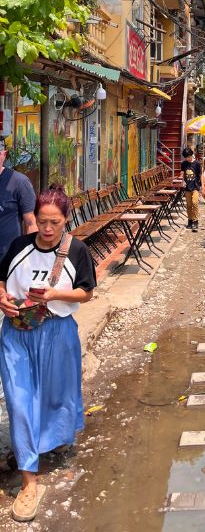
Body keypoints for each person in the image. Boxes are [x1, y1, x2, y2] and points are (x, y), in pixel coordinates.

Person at [0, 184, 96, 523]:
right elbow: (1, 279)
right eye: (42, 221)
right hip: (17, 335)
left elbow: (86, 292)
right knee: (19, 400)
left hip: (57, 333)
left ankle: (50, 440)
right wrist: (2, 297)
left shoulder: (77, 251)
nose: (47, 229)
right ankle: (29, 480)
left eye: (55, 222)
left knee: (56, 396)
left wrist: (56, 294)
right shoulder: (18, 247)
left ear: (66, 220)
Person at [0, 137, 37, 260]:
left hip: (8, 258)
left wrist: (32, 256)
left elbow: (31, 222)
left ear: (4, 154)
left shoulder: (19, 182)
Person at [180, 147, 202, 232]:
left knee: (195, 202)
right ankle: (190, 220)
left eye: (188, 157)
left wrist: (202, 186)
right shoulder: (184, 163)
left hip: (195, 186)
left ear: (192, 155)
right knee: (188, 205)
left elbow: (200, 175)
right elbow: (182, 173)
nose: (187, 159)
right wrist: (182, 180)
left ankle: (195, 221)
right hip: (187, 187)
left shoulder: (197, 163)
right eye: (186, 158)